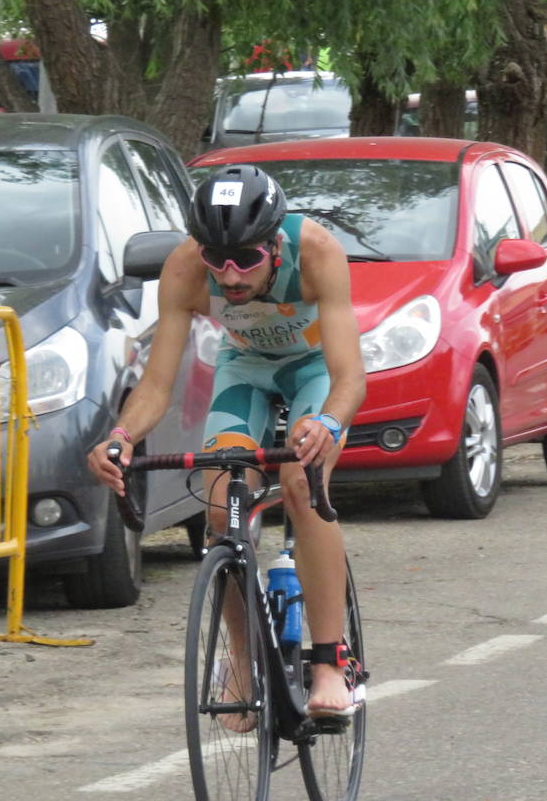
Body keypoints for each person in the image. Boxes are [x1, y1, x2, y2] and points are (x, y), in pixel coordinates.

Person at [87, 164, 366, 719]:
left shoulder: (316, 251)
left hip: (315, 373)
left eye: (247, 259)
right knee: (221, 506)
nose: (231, 276)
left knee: (300, 485)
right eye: (218, 259)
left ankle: (332, 661)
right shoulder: (185, 270)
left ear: (275, 245)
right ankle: (241, 658)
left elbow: (349, 377)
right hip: (245, 371)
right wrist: (119, 437)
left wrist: (329, 423)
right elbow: (157, 384)